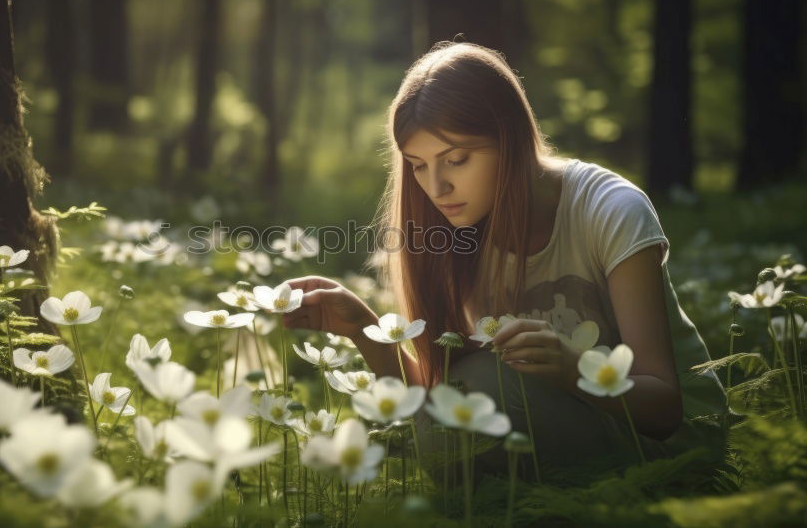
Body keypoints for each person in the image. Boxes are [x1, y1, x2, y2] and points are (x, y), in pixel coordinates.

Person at [281, 41, 728, 480]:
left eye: (456, 159)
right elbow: (435, 404)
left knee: (481, 388)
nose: (436, 188)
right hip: (550, 428)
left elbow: (665, 409)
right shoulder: (451, 235)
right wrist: (363, 327)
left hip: (674, 450)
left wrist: (573, 369)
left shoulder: (609, 209)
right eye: (418, 165)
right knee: (460, 404)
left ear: (509, 137)